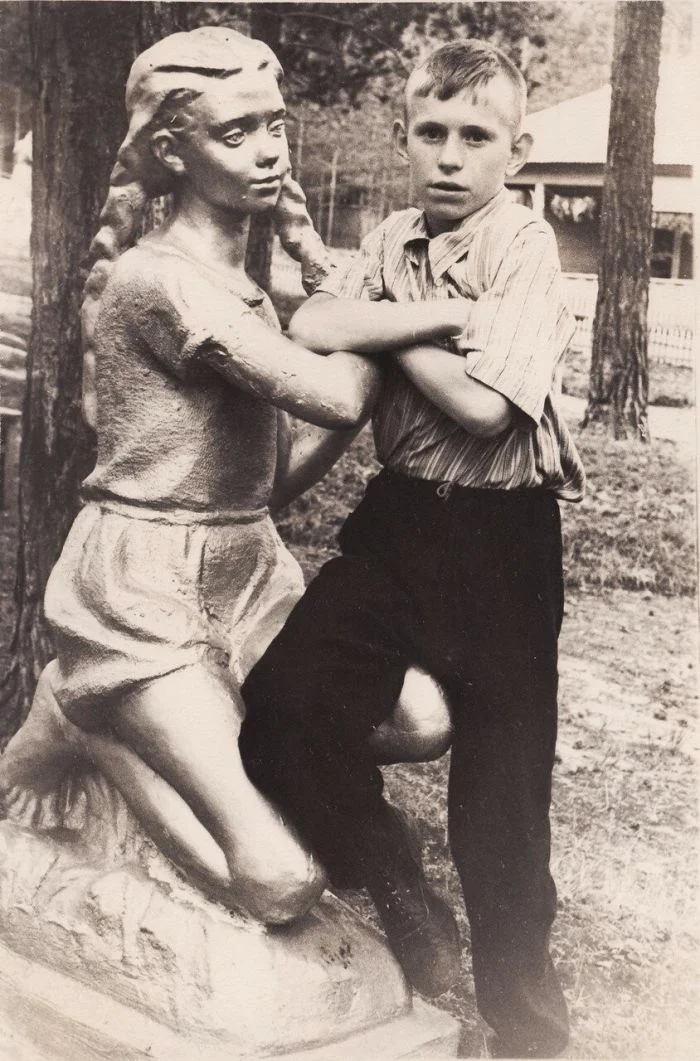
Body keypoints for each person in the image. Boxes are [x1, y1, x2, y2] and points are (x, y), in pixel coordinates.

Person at [0, 28, 465, 925]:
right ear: (173, 153)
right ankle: (88, 722)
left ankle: (125, 726)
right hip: (142, 588)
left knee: (423, 719)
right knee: (281, 880)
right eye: (236, 132)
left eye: (275, 126)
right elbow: (338, 390)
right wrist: (399, 313)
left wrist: (360, 330)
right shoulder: (160, 284)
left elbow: (271, 479)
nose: (268, 153)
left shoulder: (243, 288)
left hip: (247, 566)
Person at [239, 38, 585, 1056]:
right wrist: (435, 316)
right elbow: (314, 321)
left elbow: (483, 410)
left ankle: (529, 1034)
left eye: (475, 136)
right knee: (283, 709)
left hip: (504, 545)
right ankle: (395, 877)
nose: (450, 155)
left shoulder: (525, 246)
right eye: (430, 131)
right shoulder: (390, 235)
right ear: (402, 136)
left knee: (503, 813)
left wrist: (386, 323)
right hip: (397, 528)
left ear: (516, 151)